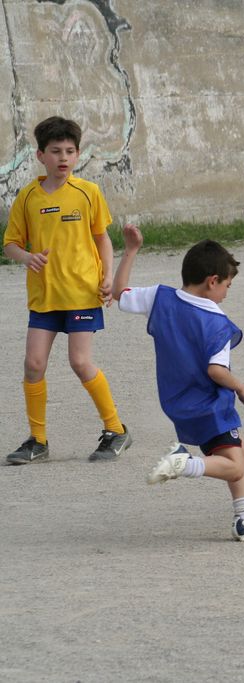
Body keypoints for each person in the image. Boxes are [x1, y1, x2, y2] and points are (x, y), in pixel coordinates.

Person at [111, 227, 244, 541]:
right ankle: (184, 463)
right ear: (212, 281)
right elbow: (216, 370)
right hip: (211, 406)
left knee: (240, 449)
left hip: (177, 401)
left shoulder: (160, 297)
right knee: (235, 466)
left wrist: (131, 249)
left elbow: (119, 292)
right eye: (227, 286)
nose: (226, 293)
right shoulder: (218, 324)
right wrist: (240, 386)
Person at [3, 116, 131, 465]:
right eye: (56, 151)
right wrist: (27, 257)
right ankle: (37, 440)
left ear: (77, 155)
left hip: (81, 294)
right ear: (40, 155)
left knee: (80, 361)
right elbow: (10, 245)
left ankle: (116, 429)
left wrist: (107, 276)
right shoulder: (27, 197)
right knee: (33, 364)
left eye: (70, 151)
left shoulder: (87, 192)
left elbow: (102, 239)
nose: (63, 157)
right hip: (44, 296)